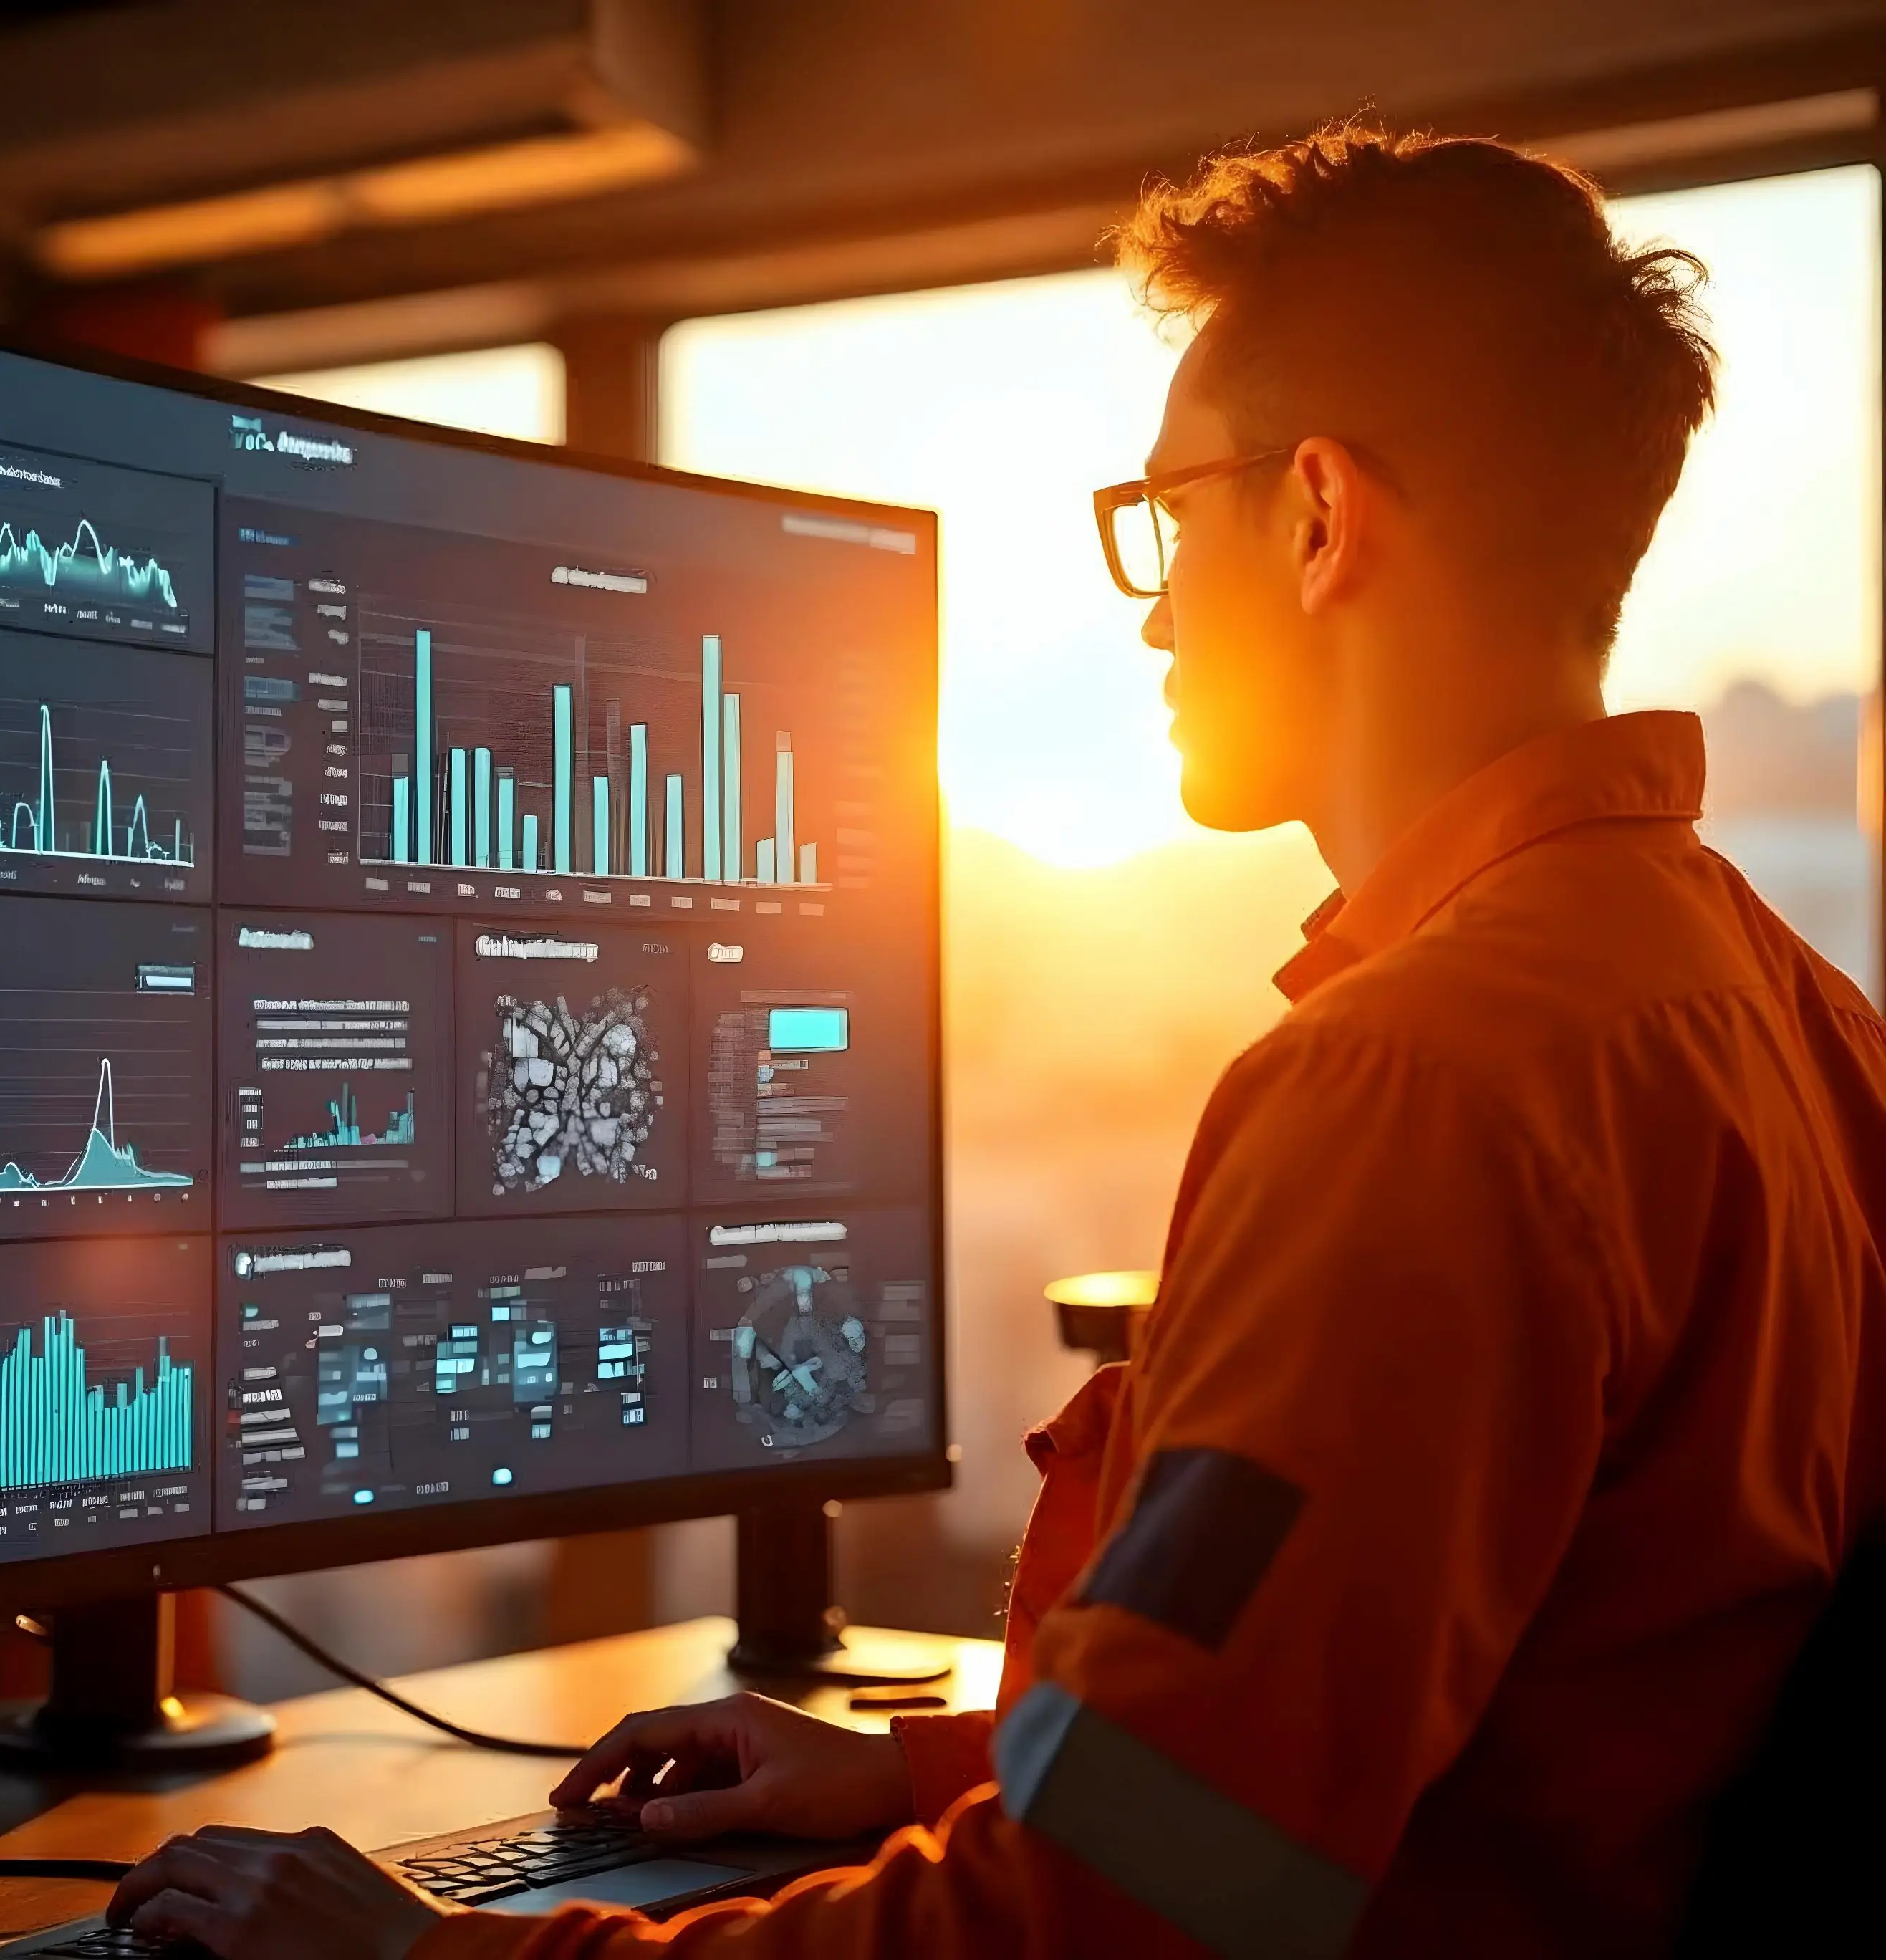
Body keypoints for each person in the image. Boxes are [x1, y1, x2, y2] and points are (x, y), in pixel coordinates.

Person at [105, 123, 1886, 1959]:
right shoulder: (1786, 1015)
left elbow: (1097, 1929)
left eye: (1166, 514)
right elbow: (1472, 1713)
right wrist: (926, 1773)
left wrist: (430, 1952)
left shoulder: (1409, 1085)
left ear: (1318, 516)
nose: (1155, 608)